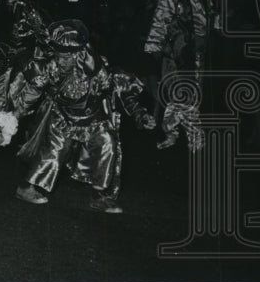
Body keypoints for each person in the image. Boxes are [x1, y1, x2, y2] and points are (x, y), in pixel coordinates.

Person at [12, 20, 154, 212]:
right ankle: (26, 188)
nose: (61, 61)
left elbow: (122, 91)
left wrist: (139, 113)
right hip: (63, 118)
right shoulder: (50, 68)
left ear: (78, 55)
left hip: (94, 119)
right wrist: (15, 115)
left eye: (66, 58)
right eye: (58, 56)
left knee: (107, 144)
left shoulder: (97, 70)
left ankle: (99, 196)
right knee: (55, 151)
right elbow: (33, 92)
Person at [144, 0, 216, 151]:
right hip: (177, 57)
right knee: (183, 95)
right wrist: (158, 49)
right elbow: (159, 25)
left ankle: (172, 131)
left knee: (185, 97)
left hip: (198, 56)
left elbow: (210, 22)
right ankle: (195, 139)